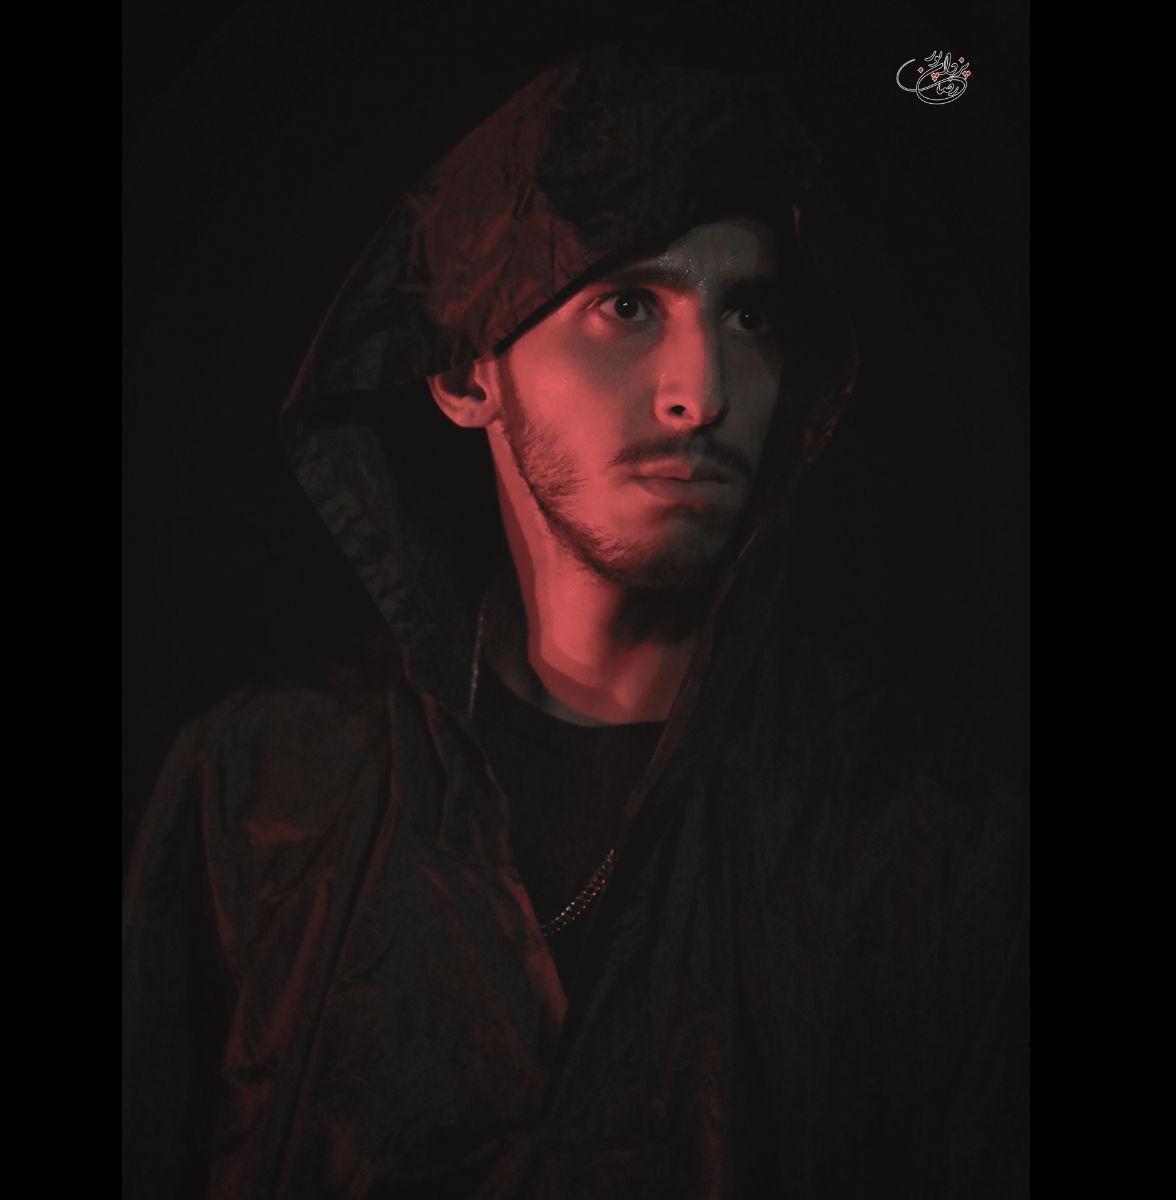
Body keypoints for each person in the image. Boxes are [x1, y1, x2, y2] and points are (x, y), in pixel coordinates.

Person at [123, 43, 1027, 1199]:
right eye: (627, 304)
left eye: (748, 313)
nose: (703, 391)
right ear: (467, 374)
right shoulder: (260, 795)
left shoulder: (926, 846)